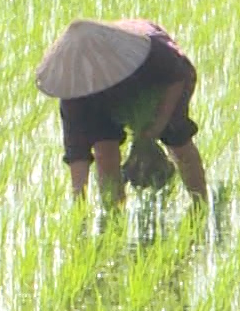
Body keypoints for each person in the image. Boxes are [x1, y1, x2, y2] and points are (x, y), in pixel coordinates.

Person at [35, 18, 208, 205]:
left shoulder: (152, 51)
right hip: (105, 101)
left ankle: (200, 203)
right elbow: (77, 151)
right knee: (104, 151)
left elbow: (178, 74)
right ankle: (114, 215)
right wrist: (79, 204)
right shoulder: (76, 93)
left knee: (176, 137)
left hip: (156, 86)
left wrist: (158, 125)